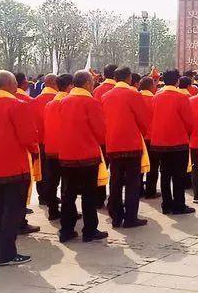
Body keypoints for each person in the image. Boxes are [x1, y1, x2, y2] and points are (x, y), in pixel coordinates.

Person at [0, 70, 36, 264]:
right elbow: (27, 137)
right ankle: (7, 253)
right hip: (13, 167)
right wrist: (35, 151)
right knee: (12, 212)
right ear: (11, 85)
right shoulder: (17, 105)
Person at [58, 70, 108, 242]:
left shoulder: (63, 101)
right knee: (89, 194)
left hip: (67, 154)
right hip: (87, 155)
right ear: (87, 83)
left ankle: (66, 230)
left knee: (68, 194)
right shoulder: (91, 102)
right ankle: (89, 230)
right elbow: (100, 131)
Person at [102, 66, 151, 228]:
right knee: (132, 183)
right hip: (131, 144)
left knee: (115, 180)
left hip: (113, 144)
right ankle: (130, 217)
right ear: (129, 78)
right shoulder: (133, 94)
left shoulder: (105, 96)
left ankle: (115, 216)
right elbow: (144, 120)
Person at [150, 69, 194, 215]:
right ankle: (179, 205)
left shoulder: (156, 97)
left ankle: (166, 204)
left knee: (165, 174)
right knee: (178, 175)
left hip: (159, 142)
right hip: (178, 141)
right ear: (177, 81)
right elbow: (189, 122)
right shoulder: (181, 97)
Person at [43, 74, 72, 220]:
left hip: (50, 148)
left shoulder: (50, 104)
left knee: (52, 181)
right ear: (69, 86)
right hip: (66, 148)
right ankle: (68, 212)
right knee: (67, 184)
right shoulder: (68, 103)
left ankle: (53, 211)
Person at [32, 74, 58, 206]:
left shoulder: (36, 100)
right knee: (53, 173)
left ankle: (42, 195)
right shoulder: (57, 99)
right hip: (53, 141)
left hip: (39, 140)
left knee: (41, 169)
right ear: (54, 83)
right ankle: (50, 196)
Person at [138, 76, 160, 198]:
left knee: (139, 166)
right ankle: (151, 191)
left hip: (139, 137)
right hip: (153, 137)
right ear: (152, 86)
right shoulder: (155, 99)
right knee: (153, 165)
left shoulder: (135, 97)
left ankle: (139, 189)